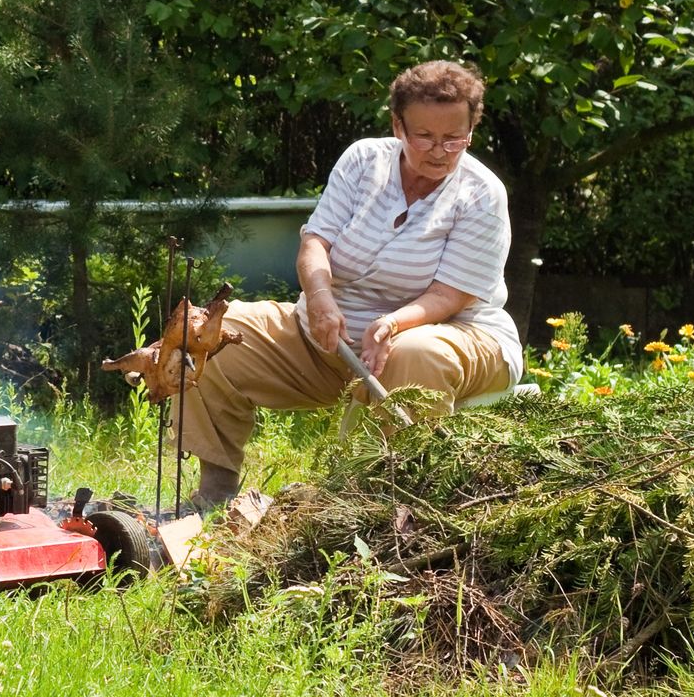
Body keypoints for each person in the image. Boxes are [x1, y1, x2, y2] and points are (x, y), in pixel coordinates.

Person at [173, 60, 521, 508]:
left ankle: (383, 509)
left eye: (454, 138)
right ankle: (214, 498)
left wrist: (392, 324)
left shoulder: (481, 193)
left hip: (457, 333)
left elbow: (450, 295)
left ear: (472, 128)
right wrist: (319, 299)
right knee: (211, 333)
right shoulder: (363, 161)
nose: (440, 151)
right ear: (398, 125)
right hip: (333, 337)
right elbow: (315, 242)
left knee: (415, 354)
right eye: (425, 137)